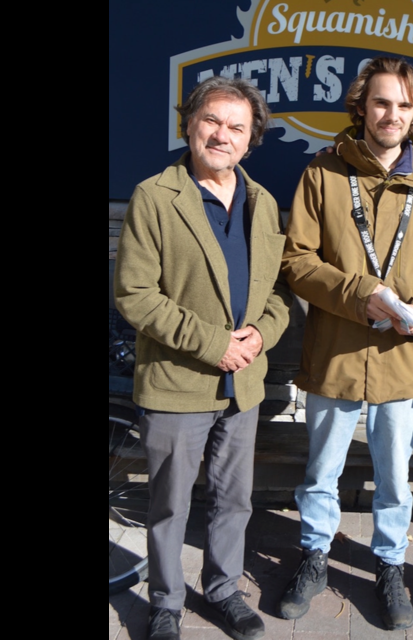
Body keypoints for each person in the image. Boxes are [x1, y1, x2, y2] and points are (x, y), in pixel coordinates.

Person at [114, 77, 292, 640]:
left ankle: (222, 589)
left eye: (236, 127)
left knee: (233, 501)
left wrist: (261, 335)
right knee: (168, 505)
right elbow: (135, 295)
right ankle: (165, 602)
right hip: (177, 383)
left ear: (250, 140)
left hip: (242, 384)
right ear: (189, 124)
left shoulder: (262, 202)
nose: (222, 135)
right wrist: (214, 343)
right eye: (211, 120)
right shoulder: (155, 195)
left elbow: (279, 294)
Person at [279, 56, 413, 631]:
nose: (392, 114)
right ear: (361, 106)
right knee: (321, 470)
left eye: (404, 105)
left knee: (395, 478)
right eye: (381, 102)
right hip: (335, 355)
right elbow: (297, 261)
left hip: (402, 360)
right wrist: (361, 293)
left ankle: (391, 565)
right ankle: (314, 556)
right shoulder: (322, 173)